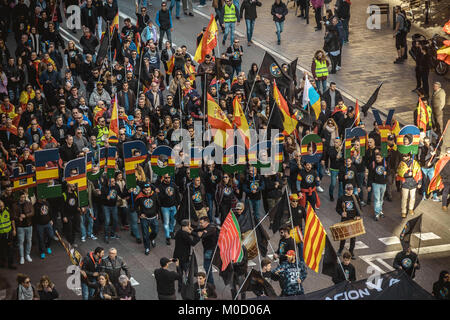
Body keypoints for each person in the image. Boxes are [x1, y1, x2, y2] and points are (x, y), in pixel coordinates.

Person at [336, 183, 361, 258]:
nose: (350, 191)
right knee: (343, 236)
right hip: (345, 219)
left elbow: (359, 207)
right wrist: (341, 213)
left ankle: (351, 252)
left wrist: (358, 216)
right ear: (345, 190)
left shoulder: (355, 197)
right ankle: (340, 250)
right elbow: (337, 208)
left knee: (353, 237)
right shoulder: (341, 198)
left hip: (353, 219)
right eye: (349, 190)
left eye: (351, 189)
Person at [135, 183, 160, 255]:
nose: (147, 191)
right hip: (144, 219)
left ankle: (152, 238)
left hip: (153, 217)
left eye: (148, 189)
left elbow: (158, 204)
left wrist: (157, 213)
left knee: (155, 231)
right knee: (145, 234)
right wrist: (140, 214)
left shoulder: (154, 195)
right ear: (143, 190)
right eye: (145, 189)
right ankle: (147, 247)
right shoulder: (139, 197)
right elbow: (136, 207)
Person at [397, 152, 422, 218]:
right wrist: (407, 174)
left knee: (412, 197)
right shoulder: (401, 163)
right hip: (405, 183)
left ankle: (411, 209)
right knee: (404, 198)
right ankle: (403, 211)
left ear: (409, 156)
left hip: (413, 183)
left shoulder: (415, 163)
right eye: (403, 156)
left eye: (405, 156)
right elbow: (399, 172)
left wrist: (419, 182)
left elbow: (419, 173)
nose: (404, 157)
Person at [12, 191, 34, 265]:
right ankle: (22, 257)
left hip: (29, 225)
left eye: (24, 197)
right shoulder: (15, 205)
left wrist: (26, 215)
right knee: (21, 242)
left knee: (29, 240)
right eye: (22, 197)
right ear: (19, 197)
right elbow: (13, 216)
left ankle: (27, 254)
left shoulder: (29, 203)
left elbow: (32, 212)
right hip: (20, 226)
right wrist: (18, 218)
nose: (23, 198)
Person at [197, 216, 218, 285]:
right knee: (207, 267)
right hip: (208, 249)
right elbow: (198, 231)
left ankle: (211, 284)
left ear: (206, 222)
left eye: (201, 223)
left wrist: (200, 234)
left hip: (210, 250)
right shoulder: (206, 228)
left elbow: (202, 235)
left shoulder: (211, 228)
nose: (200, 224)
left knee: (207, 267)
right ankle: (210, 283)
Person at [367, 152, 388, 221]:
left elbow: (390, 171)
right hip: (375, 183)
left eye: (379, 158)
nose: (377, 159)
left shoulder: (385, 163)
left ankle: (380, 210)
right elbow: (370, 175)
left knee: (381, 198)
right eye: (376, 158)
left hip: (383, 183)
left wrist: (386, 173)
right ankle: (377, 213)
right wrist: (369, 185)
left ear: (382, 158)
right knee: (377, 198)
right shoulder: (373, 164)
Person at [0, 199, 16, 269]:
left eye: (1, 205)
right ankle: (3, 263)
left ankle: (10, 264)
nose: (0, 206)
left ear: (3, 204)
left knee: (10, 249)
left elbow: (12, 220)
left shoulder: (8, 210)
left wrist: (14, 229)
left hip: (8, 233)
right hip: (0, 234)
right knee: (1, 250)